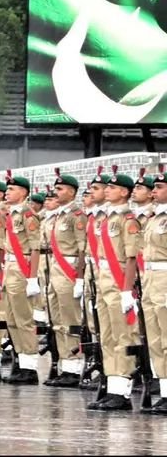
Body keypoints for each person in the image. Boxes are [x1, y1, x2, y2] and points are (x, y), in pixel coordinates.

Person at [86, 171, 140, 411]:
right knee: (107, 336)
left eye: (112, 188)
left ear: (124, 192)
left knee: (123, 336)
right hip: (103, 280)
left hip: (119, 280)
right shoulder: (105, 218)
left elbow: (131, 258)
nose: (107, 190)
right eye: (106, 187)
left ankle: (123, 391)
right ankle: (112, 388)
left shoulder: (128, 220)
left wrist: (127, 290)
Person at [40, 171, 87, 387]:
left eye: (60, 189)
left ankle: (74, 367)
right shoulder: (57, 215)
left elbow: (82, 249)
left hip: (69, 271)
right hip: (54, 271)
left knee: (71, 321)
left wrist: (79, 278)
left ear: (72, 192)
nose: (56, 192)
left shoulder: (77, 216)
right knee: (58, 322)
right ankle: (65, 364)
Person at [0, 172, 42, 385]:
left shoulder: (27, 214)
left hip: (21, 268)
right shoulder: (9, 214)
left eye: (12, 189)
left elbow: (35, 248)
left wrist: (32, 278)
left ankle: (30, 367)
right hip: (9, 268)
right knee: (12, 320)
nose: (7, 192)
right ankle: (21, 361)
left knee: (23, 319)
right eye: (7, 189)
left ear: (23, 192)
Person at [141, 167, 167, 414]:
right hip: (150, 279)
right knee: (156, 340)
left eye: (159, 187)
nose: (154, 191)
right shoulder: (154, 217)